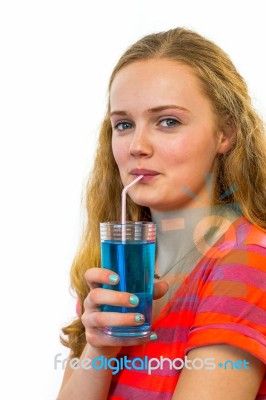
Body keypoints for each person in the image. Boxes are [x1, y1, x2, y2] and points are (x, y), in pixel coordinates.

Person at [57, 27, 266, 399]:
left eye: (168, 121)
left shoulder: (247, 262)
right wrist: (99, 349)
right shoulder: (118, 271)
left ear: (225, 133)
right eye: (124, 124)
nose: (137, 145)